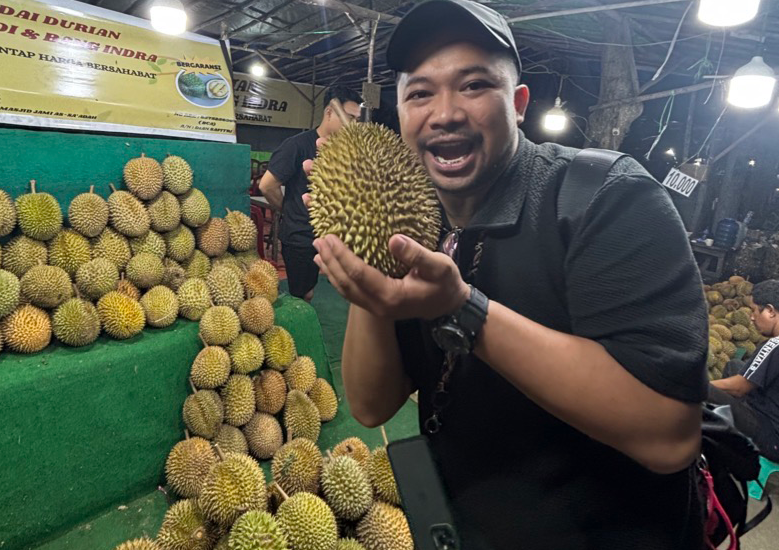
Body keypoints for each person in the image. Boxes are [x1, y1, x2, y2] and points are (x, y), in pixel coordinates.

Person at [307, 1, 708, 548]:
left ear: (518, 103)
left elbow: (669, 436)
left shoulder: (607, 198)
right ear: (399, 114)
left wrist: (462, 309)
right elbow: (373, 404)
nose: (444, 112)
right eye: (419, 93)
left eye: (473, 85)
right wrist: (364, 274)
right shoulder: (416, 216)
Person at [259, 86, 362, 302]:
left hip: (327, 235)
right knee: (302, 294)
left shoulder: (346, 150)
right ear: (329, 113)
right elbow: (267, 185)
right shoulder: (297, 146)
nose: (353, 125)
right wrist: (288, 209)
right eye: (349, 118)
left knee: (315, 287)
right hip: (301, 236)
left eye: (356, 120)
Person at [709, 280, 779, 461]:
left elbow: (739, 388)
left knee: (707, 391)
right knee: (734, 366)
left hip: (772, 436)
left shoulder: (775, 344)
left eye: (755, 310)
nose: (752, 317)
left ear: (770, 311)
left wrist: (698, 385)